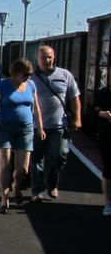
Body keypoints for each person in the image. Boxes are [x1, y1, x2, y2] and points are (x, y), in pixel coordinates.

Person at [0, 58, 45, 213]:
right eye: (25, 75)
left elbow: (36, 107)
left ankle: (16, 186)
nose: (28, 78)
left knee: (23, 168)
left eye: (29, 75)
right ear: (16, 73)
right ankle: (4, 200)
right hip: (5, 128)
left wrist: (40, 127)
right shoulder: (2, 85)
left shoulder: (31, 85)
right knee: (5, 163)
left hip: (25, 129)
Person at [30, 45, 82, 201]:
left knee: (59, 156)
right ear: (37, 59)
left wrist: (77, 118)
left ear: (54, 57)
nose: (47, 60)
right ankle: (37, 191)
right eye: (43, 57)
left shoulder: (65, 75)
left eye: (49, 57)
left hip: (59, 125)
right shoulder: (31, 77)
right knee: (36, 159)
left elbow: (74, 98)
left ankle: (52, 184)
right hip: (36, 126)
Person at [95, 85, 111, 216]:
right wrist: (102, 114)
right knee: (108, 170)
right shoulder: (104, 93)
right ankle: (108, 203)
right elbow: (92, 109)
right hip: (107, 136)